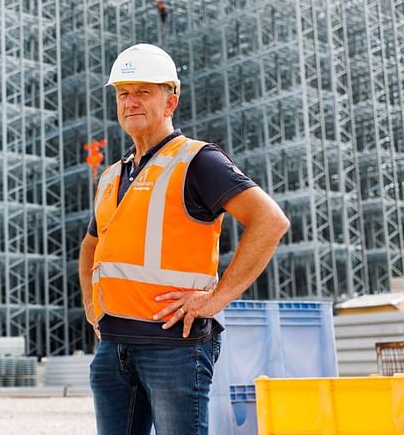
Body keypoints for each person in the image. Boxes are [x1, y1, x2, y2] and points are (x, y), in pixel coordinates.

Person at [78, 44, 289, 435]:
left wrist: (216, 299)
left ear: (170, 100)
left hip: (173, 347)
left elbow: (270, 221)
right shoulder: (111, 176)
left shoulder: (197, 161)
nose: (131, 101)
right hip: (112, 346)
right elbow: (91, 245)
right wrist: (92, 306)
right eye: (123, 93)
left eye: (144, 91)